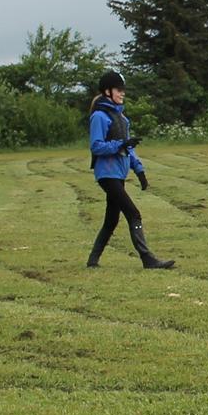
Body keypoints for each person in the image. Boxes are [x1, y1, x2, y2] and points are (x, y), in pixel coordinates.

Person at [86, 70, 175, 269]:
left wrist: (139, 170)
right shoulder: (99, 117)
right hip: (106, 174)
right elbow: (96, 146)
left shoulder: (123, 119)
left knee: (111, 220)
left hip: (119, 174)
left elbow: (129, 149)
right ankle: (147, 258)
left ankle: (92, 260)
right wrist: (120, 144)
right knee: (133, 213)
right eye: (119, 90)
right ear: (108, 91)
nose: (122, 93)